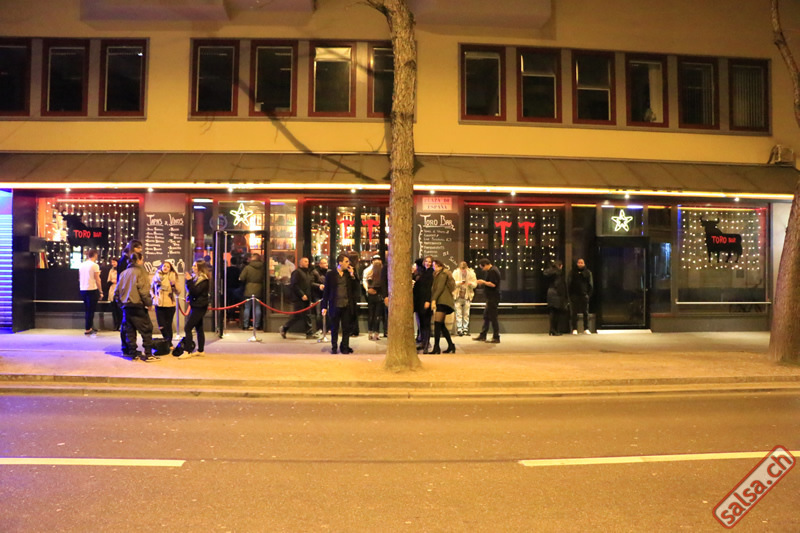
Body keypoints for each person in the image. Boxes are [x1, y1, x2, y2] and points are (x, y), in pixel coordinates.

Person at [114, 252, 157, 362]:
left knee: (130, 330)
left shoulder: (123, 273)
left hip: (126, 306)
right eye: (142, 259)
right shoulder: (141, 272)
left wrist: (121, 304)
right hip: (138, 305)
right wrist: (149, 303)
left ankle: (132, 353)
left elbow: (116, 292)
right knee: (147, 329)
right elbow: (143, 291)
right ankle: (148, 354)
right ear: (139, 260)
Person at [320, 254, 358, 354]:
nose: (348, 263)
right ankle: (334, 346)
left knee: (346, 328)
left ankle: (344, 346)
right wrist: (324, 306)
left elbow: (355, 288)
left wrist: (352, 275)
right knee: (334, 327)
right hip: (335, 304)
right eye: (346, 261)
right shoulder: (331, 274)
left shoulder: (348, 274)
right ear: (340, 262)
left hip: (346, 305)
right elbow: (326, 291)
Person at [175, 260, 210, 359]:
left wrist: (189, 281)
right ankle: (201, 350)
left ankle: (187, 351)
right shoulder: (195, 278)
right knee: (199, 328)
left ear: (200, 268)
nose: (193, 267)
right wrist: (189, 282)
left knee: (188, 327)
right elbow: (191, 290)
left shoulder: (204, 280)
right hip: (195, 305)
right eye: (193, 265)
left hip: (200, 306)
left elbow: (195, 292)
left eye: (195, 266)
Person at [117, 239, 143, 352]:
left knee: (127, 323)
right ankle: (127, 347)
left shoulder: (125, 259)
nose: (140, 250)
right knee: (127, 324)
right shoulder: (126, 260)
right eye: (139, 248)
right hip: (127, 294)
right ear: (133, 248)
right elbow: (123, 279)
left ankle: (128, 347)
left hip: (126, 294)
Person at [279, 256, 315, 338]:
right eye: (305, 261)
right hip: (298, 298)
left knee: (307, 315)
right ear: (300, 263)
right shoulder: (297, 272)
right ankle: (284, 328)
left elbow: (309, 284)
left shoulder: (307, 273)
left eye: (307, 261)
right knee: (297, 315)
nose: (307, 263)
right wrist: (302, 294)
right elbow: (294, 285)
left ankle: (309, 333)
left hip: (306, 298)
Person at [430, 259, 457, 353]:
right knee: (441, 325)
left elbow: (440, 288)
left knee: (437, 324)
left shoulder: (443, 274)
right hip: (442, 300)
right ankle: (451, 345)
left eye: (434, 265)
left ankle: (436, 347)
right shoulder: (438, 274)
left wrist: (433, 299)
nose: (433, 267)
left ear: (438, 265)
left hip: (443, 301)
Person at [150, 261, 179, 345]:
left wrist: (174, 285)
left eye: (168, 266)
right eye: (164, 266)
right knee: (161, 326)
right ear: (161, 267)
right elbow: (151, 288)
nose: (165, 268)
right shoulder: (156, 276)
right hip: (159, 304)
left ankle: (169, 344)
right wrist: (153, 297)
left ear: (170, 269)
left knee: (168, 325)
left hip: (169, 304)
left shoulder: (172, 276)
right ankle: (167, 342)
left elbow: (178, 292)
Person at [474, 258, 501, 343]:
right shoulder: (492, 270)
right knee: (486, 316)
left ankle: (496, 336)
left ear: (485, 265)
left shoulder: (493, 271)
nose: (482, 269)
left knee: (493, 317)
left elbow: (493, 284)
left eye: (482, 267)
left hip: (493, 297)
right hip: (490, 297)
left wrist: (483, 282)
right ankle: (483, 334)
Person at [78, 249, 103, 335]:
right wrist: (101, 291)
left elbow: (79, 278)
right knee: (91, 309)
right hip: (92, 289)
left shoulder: (82, 265)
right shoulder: (95, 265)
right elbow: (97, 279)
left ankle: (89, 326)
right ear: (95, 255)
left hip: (83, 289)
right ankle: (88, 328)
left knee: (87, 309)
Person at [239, 253, 265, 330]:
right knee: (257, 307)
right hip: (259, 289)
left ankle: (245, 325)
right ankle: (257, 325)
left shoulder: (247, 267)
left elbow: (241, 278)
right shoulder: (263, 267)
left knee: (247, 307)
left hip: (249, 289)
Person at [362, 254, 385, 341]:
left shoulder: (382, 270)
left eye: (379, 259)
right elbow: (364, 281)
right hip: (373, 293)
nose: (377, 261)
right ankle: (372, 332)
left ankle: (375, 332)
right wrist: (367, 289)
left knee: (376, 314)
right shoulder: (368, 270)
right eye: (376, 259)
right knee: (372, 314)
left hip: (378, 293)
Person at [413, 256, 434, 353]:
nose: (428, 263)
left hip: (425, 301)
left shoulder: (431, 273)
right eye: (426, 261)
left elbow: (429, 288)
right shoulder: (422, 272)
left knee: (426, 323)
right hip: (419, 301)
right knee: (421, 323)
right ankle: (423, 342)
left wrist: (428, 300)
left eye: (429, 262)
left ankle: (426, 343)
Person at [452, 261, 477, 336]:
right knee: (458, 313)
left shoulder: (471, 273)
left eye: (464, 269)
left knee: (466, 313)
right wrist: (459, 283)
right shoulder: (455, 273)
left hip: (467, 296)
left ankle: (465, 329)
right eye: (462, 269)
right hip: (458, 296)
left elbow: (475, 284)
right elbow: (452, 283)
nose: (463, 271)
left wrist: (470, 284)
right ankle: (459, 329)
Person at [569, 258, 594, 335]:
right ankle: (574, 328)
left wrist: (588, 295)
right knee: (574, 312)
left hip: (584, 295)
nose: (580, 264)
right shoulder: (572, 272)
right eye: (579, 263)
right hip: (575, 295)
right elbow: (569, 283)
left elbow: (590, 284)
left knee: (585, 312)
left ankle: (586, 328)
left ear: (584, 264)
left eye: (581, 263)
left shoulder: (588, 273)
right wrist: (570, 294)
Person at [544, 259, 569, 336]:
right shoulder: (558, 273)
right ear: (560, 266)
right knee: (556, 313)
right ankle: (554, 330)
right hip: (556, 293)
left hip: (550, 292)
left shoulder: (550, 272)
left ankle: (552, 329)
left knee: (552, 312)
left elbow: (545, 273)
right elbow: (560, 285)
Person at [310, 257, 328, 336]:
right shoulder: (315, 272)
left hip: (326, 295)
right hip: (317, 295)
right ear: (320, 264)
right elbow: (311, 283)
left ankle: (327, 328)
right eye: (324, 263)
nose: (326, 264)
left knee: (328, 312)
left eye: (327, 262)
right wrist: (319, 286)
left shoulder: (329, 272)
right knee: (319, 313)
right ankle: (319, 329)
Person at [106, 258, 122, 332]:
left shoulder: (121, 270)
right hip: (112, 290)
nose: (113, 264)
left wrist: (117, 281)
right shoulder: (111, 270)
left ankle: (120, 325)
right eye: (112, 262)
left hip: (119, 290)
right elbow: (108, 280)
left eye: (114, 262)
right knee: (114, 309)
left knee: (119, 309)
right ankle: (115, 325)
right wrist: (112, 281)